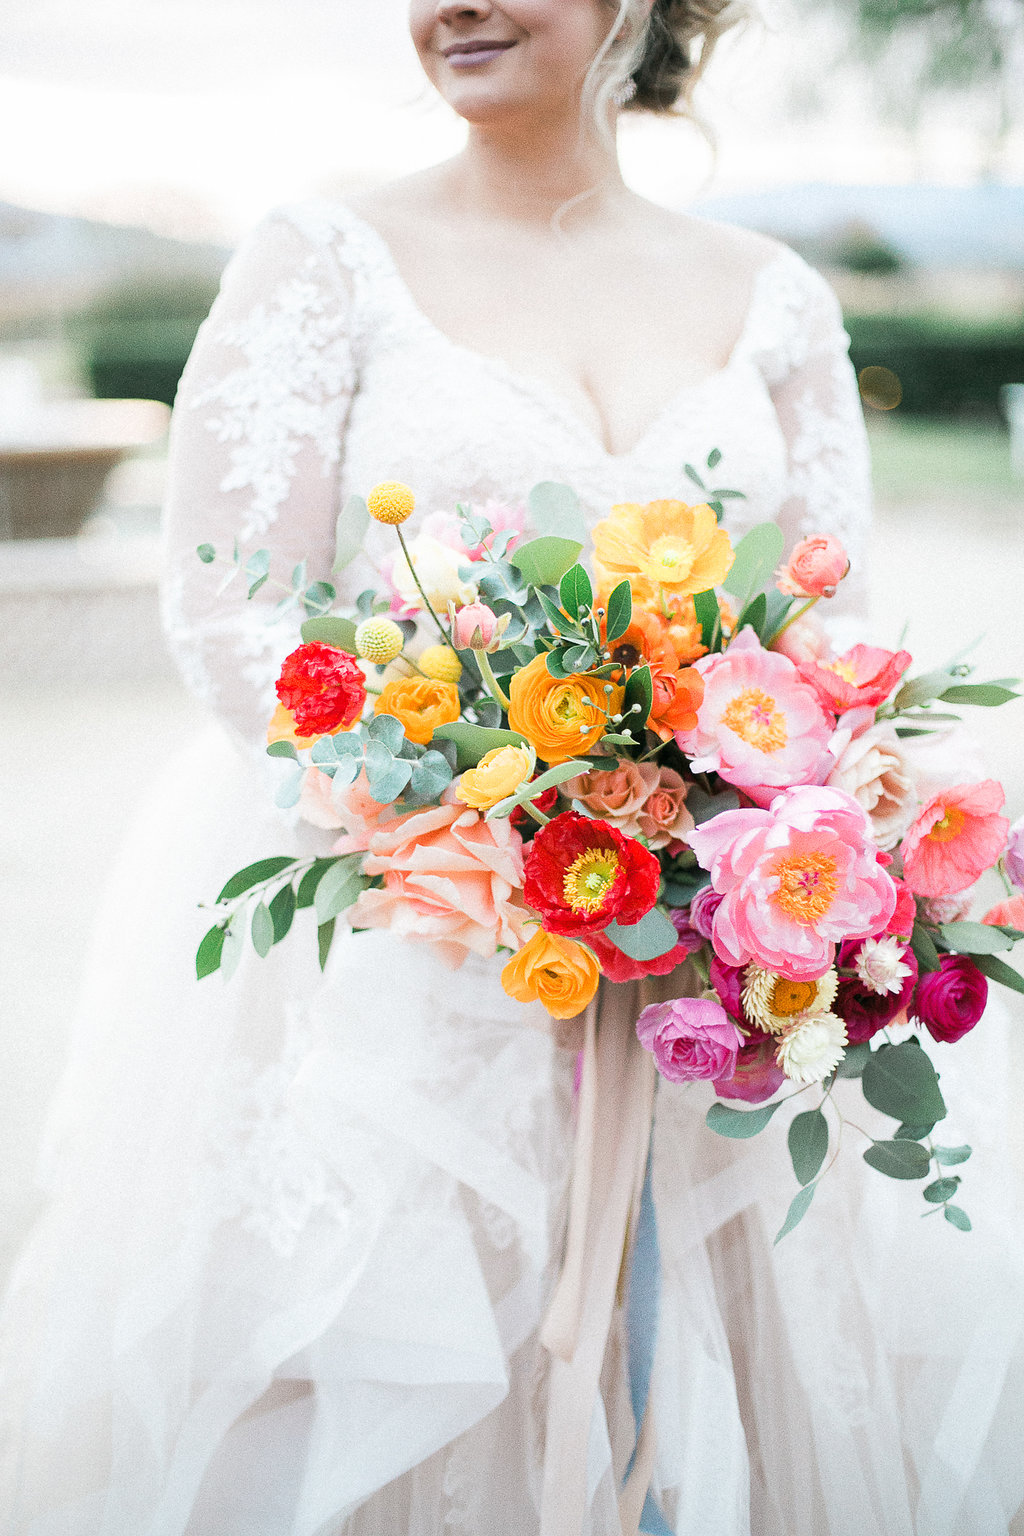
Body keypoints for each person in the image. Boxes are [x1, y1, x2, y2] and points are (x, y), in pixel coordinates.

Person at [2, 2, 1023, 1532]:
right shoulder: (321, 259)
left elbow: (829, 630)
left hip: (705, 972)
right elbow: (230, 603)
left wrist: (745, 835)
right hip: (393, 957)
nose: (452, 4)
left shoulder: (778, 299)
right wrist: (471, 821)